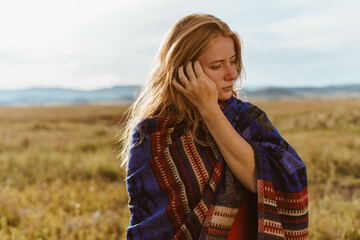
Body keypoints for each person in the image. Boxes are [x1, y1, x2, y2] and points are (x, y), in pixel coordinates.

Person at [119, 13, 308, 240]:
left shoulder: (246, 119)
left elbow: (262, 178)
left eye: (233, 61)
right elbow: (151, 223)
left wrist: (210, 111)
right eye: (217, 66)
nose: (232, 74)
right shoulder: (154, 133)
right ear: (184, 71)